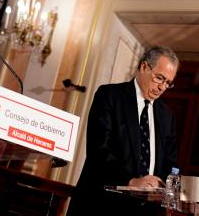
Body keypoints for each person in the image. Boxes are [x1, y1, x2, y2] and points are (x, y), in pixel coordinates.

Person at [67, 46, 180, 216]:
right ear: (143, 67)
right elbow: (99, 150)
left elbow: (171, 163)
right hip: (102, 203)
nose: (161, 88)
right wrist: (132, 181)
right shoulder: (110, 95)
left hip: (144, 210)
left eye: (168, 83)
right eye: (159, 78)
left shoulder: (167, 116)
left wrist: (170, 191)